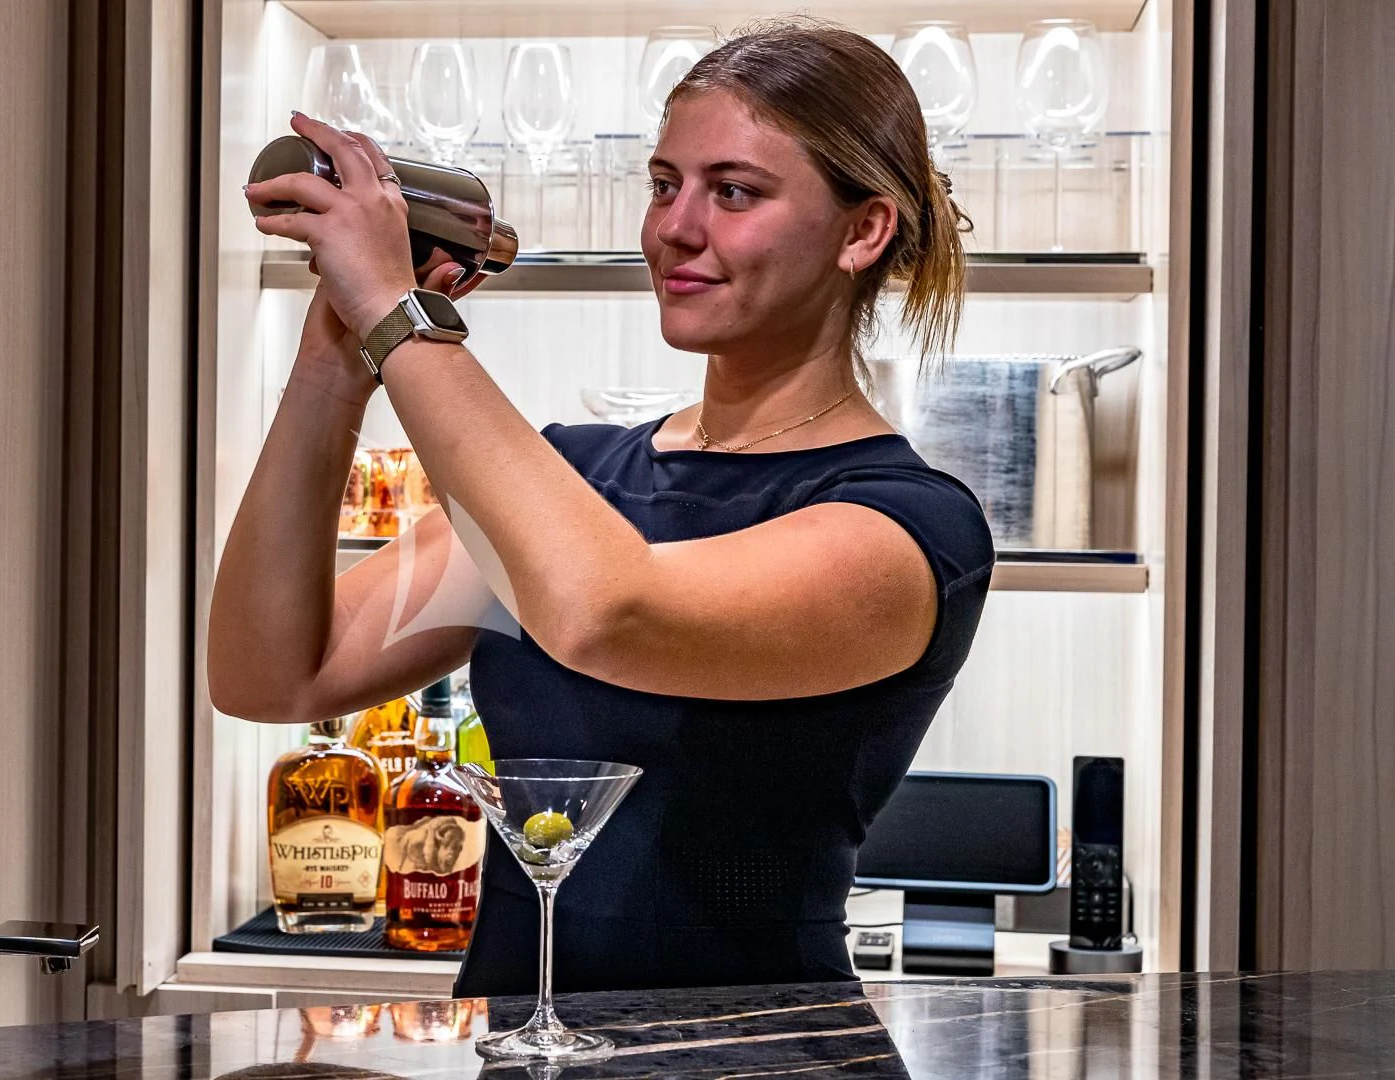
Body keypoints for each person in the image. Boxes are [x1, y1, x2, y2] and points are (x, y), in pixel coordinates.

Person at [212, 17, 994, 994]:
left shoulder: (909, 530)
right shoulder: (571, 475)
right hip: (525, 1052)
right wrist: (335, 365)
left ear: (863, 230)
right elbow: (272, 674)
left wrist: (397, 318)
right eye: (666, 185)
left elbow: (602, 611)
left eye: (735, 192)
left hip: (760, 1059)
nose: (676, 228)